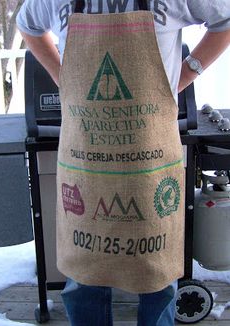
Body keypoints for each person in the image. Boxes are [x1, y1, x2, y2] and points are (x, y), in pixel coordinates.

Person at [16, 1, 230, 325]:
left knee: (157, 274)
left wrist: (188, 72)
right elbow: (28, 26)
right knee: (84, 275)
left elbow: (225, 20)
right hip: (86, 161)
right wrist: (63, 77)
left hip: (150, 161)